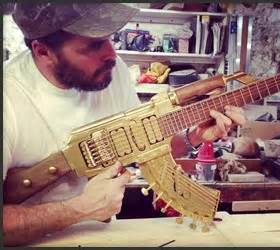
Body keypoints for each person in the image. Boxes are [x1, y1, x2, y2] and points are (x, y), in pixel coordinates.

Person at [3, 3, 246, 246]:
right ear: (43, 51)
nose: (112, 54)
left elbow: (141, 144)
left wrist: (194, 136)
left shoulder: (112, 72)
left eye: (109, 38)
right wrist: (77, 211)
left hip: (102, 239)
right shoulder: (9, 98)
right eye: (94, 44)